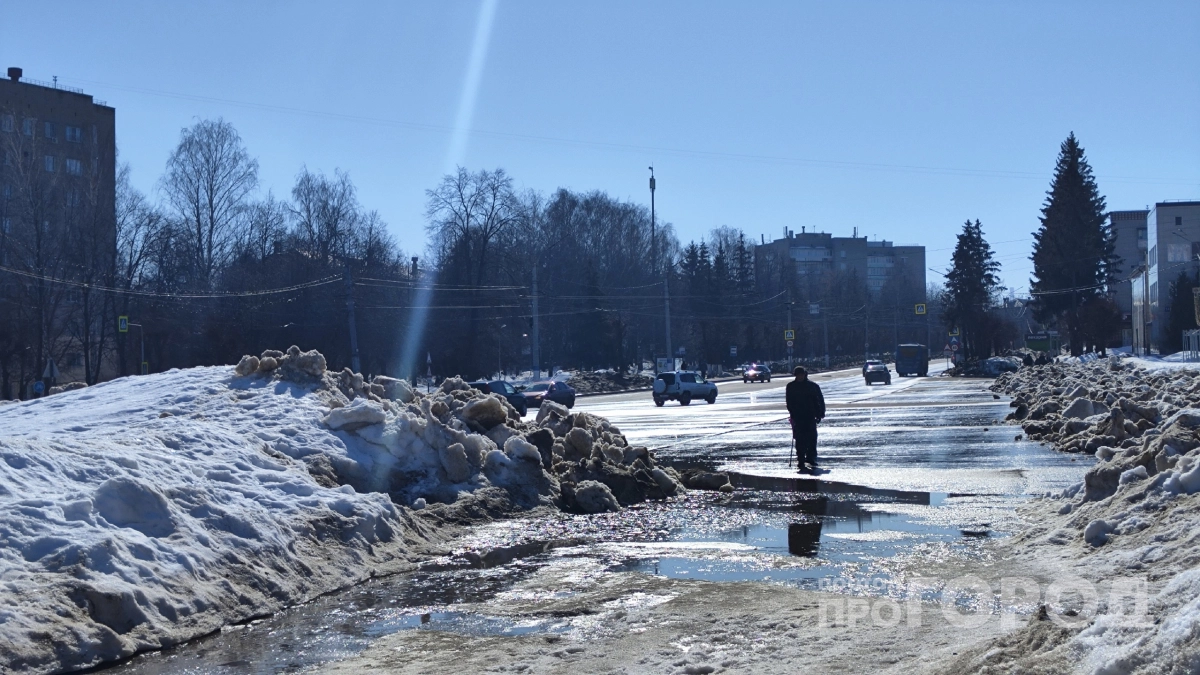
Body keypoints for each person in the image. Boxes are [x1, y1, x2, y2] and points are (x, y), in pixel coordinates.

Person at [786, 365, 825, 471]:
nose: (800, 377)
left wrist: (820, 413)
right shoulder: (791, 386)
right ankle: (801, 459)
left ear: (805, 375)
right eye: (798, 375)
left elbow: (820, 400)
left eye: (801, 375)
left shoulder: (812, 386)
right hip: (798, 416)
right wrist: (792, 412)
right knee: (799, 439)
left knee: (812, 438)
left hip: (810, 415)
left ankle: (811, 457)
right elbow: (789, 401)